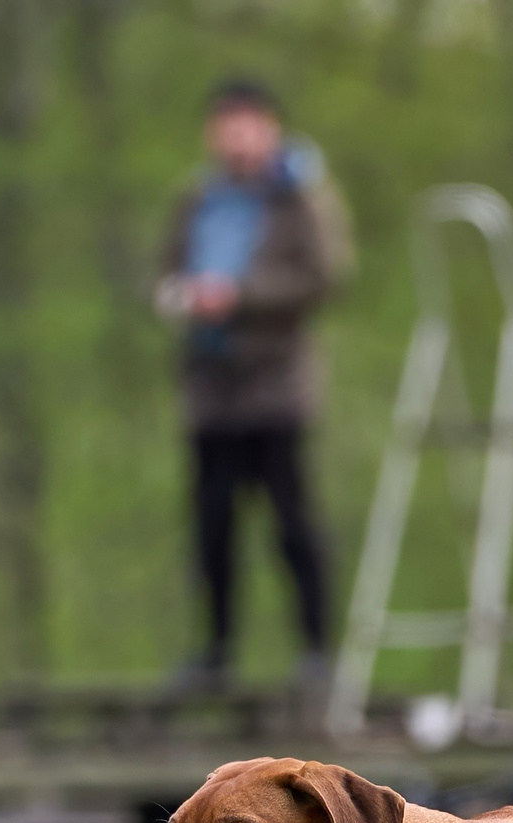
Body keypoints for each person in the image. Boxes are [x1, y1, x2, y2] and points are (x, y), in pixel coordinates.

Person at [153, 77, 354, 691]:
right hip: (211, 389)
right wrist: (180, 297)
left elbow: (326, 275)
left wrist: (240, 298)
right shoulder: (197, 199)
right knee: (212, 523)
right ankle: (215, 651)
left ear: (269, 126)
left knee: (291, 520)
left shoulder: (302, 197)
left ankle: (318, 650)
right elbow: (162, 269)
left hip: (276, 386)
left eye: (247, 121)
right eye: (226, 122)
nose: (236, 134)